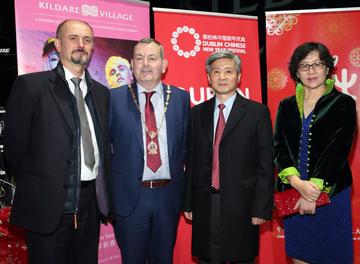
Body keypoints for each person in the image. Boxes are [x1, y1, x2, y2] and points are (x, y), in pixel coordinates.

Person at [4, 19, 112, 264]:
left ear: (92, 48)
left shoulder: (102, 94)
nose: (80, 44)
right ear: (58, 45)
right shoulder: (31, 86)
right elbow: (14, 151)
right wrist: (45, 184)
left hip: (90, 204)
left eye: (87, 40)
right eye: (73, 38)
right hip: (48, 205)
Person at [183, 50, 274, 264]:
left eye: (228, 71)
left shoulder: (257, 112)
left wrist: (261, 207)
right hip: (205, 202)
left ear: (239, 76)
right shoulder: (197, 114)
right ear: (208, 77)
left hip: (242, 204)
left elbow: (265, 164)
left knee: (241, 258)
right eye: (216, 72)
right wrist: (188, 202)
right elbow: (192, 162)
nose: (222, 77)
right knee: (206, 258)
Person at [273, 42, 356, 264]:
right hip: (293, 193)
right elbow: (279, 147)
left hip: (331, 193)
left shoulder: (344, 102)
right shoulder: (286, 105)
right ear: (296, 72)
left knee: (333, 256)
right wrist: (298, 184)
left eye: (317, 64)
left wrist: (315, 192)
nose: (311, 71)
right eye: (304, 66)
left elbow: (338, 150)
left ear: (328, 68)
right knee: (299, 254)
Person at [109, 38, 190, 263]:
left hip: (168, 197)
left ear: (164, 65)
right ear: (132, 65)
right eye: (139, 58)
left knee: (163, 259)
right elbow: (105, 152)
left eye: (152, 58)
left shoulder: (180, 99)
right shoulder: (112, 99)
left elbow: (186, 150)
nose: (146, 64)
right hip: (130, 198)